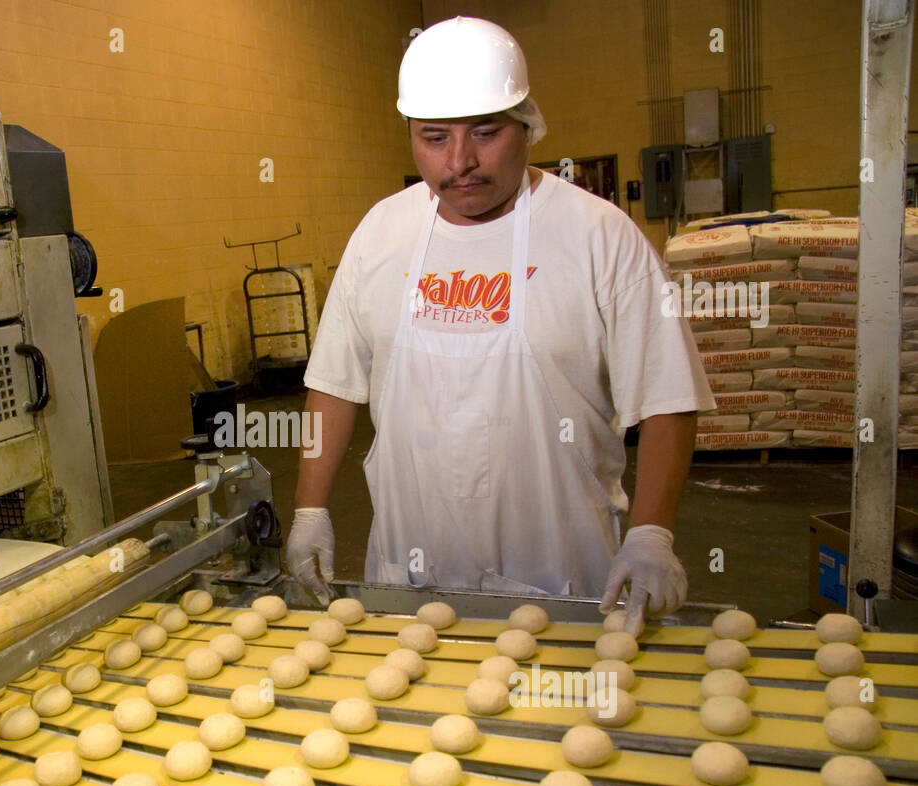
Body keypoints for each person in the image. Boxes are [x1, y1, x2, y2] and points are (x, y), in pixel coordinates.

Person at [284, 16, 716, 634]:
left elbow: (668, 396)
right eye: (435, 138)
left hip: (564, 585)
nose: (460, 162)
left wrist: (650, 534)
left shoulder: (599, 237)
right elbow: (333, 384)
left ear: (527, 124)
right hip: (410, 585)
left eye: (485, 133)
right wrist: (309, 511)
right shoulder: (381, 233)